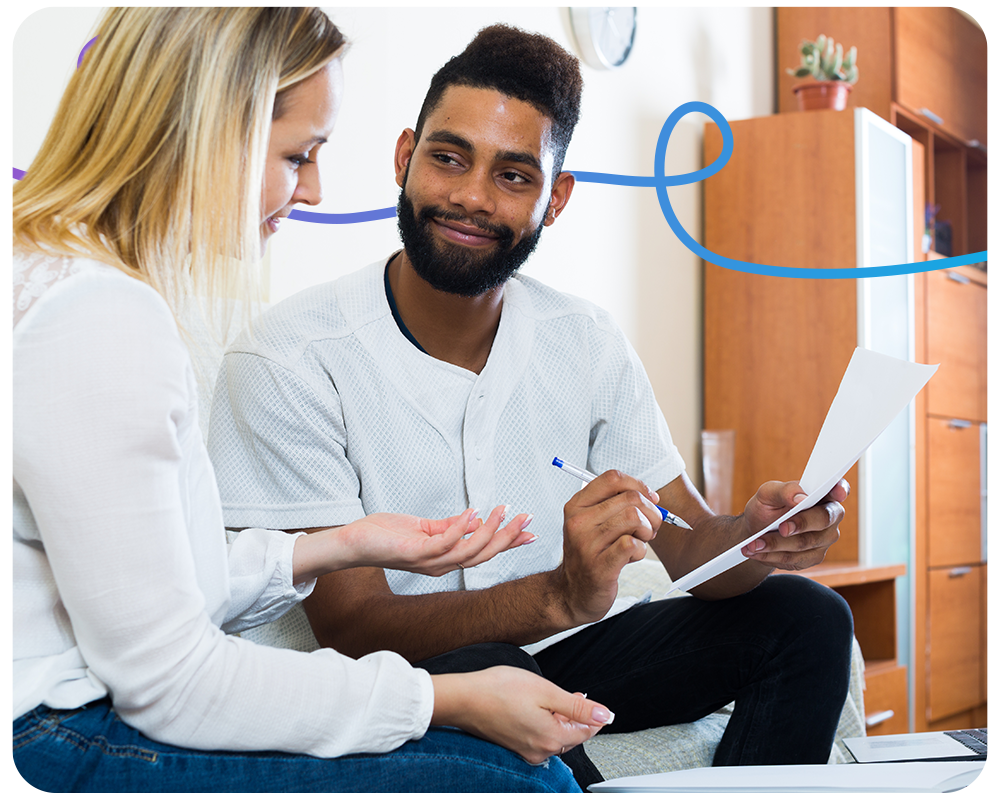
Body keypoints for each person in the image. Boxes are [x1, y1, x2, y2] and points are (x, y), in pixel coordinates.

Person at [208, 23, 855, 789]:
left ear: (557, 200)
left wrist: (754, 536)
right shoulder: (291, 355)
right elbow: (351, 630)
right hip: (418, 670)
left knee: (810, 619)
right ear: (403, 157)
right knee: (489, 662)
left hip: (574, 653)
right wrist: (558, 594)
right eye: (448, 158)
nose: (471, 198)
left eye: (515, 176)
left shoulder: (585, 340)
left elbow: (688, 549)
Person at [11, 8, 618, 793]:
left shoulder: (50, 277)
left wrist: (340, 543)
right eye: (298, 155)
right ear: (211, 132)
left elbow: (150, 580)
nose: (315, 189)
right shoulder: (98, 318)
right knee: (521, 781)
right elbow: (171, 680)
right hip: (44, 743)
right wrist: (446, 698)